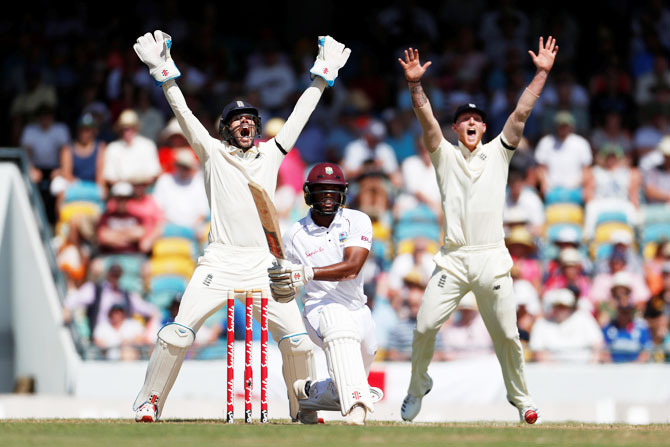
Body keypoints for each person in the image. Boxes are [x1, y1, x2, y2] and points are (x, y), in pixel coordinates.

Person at [131, 30, 351, 423]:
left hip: (264, 264)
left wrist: (321, 77)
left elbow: (299, 117)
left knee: (299, 345)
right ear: (225, 128)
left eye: (250, 119)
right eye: (238, 120)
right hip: (218, 261)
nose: (246, 124)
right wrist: (164, 74)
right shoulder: (212, 153)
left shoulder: (270, 154)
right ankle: (150, 402)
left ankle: (304, 410)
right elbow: (184, 115)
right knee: (177, 333)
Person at [396, 35, 558, 424]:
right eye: (463, 120)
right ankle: (418, 387)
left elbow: (519, 115)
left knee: (507, 335)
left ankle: (522, 400)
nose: (470, 123)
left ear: (483, 127)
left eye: (476, 120)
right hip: (453, 259)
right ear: (455, 129)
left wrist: (540, 74)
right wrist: (415, 85)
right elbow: (427, 121)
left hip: (490, 257)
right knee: (423, 327)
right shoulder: (444, 155)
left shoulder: (500, 152)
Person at [267, 162, 383, 425]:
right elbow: (287, 289)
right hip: (320, 309)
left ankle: (307, 394)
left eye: (333, 190)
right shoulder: (294, 234)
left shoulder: (357, 220)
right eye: (321, 190)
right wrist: (284, 284)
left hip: (358, 308)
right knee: (337, 324)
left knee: (349, 375)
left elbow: (352, 268)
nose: (328, 196)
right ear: (309, 193)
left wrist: (306, 272)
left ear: (343, 192)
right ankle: (356, 406)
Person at [529, 288, 604, 363]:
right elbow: (538, 353)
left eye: (564, 307)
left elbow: (597, 346)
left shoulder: (584, 319)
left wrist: (591, 369)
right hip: (552, 372)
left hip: (585, 370)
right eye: (558, 306)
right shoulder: (541, 324)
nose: (561, 310)